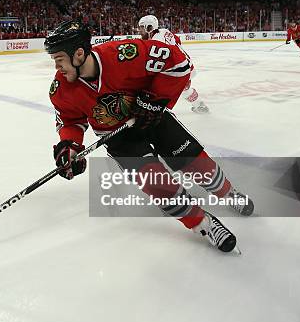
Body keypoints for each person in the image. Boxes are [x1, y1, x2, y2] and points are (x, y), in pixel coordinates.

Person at [45, 20, 254, 253]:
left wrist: (154, 101)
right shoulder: (61, 88)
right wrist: (70, 146)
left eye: (59, 59)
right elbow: (70, 120)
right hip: (119, 139)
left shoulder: (123, 54)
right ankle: (203, 224)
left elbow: (179, 63)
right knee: (158, 185)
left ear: (79, 54)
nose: (57, 67)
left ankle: (227, 192)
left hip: (151, 116)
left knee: (197, 164)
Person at [138, 15, 209, 114]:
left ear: (149, 27)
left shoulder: (156, 42)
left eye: (141, 27)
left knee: (178, 90)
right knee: (184, 89)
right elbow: (177, 41)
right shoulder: (163, 31)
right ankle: (200, 105)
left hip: (181, 68)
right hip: (185, 64)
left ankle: (199, 105)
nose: (139, 30)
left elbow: (159, 63)